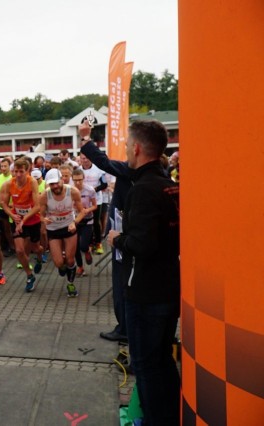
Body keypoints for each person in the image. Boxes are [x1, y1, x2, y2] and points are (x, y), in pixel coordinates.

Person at [106, 120, 180, 425]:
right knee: (163, 359)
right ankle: (171, 414)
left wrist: (116, 238)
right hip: (168, 286)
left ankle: (154, 419)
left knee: (146, 364)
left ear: (136, 148)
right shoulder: (169, 184)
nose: (125, 151)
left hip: (146, 293)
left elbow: (142, 244)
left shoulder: (142, 190)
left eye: (126, 145)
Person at [79, 121, 132, 342]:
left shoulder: (134, 171)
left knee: (122, 286)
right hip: (123, 238)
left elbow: (103, 162)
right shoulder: (147, 172)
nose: (126, 149)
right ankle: (125, 327)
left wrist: (85, 138)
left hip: (124, 240)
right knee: (122, 286)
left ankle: (124, 330)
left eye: (129, 146)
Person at [39, 169, 85, 297]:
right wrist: (44, 220)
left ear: (62, 179)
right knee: (59, 262)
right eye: (51, 184)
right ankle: (64, 268)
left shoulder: (73, 191)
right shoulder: (44, 195)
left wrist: (74, 223)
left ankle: (70, 284)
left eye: (56, 183)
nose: (55, 186)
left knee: (70, 260)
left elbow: (82, 212)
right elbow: (41, 215)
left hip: (69, 227)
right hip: (53, 229)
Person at [0, 158, 43, 292]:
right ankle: (29, 276)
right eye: (15, 171)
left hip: (33, 219)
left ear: (27, 171)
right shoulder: (8, 184)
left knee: (37, 247)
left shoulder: (32, 182)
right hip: (17, 219)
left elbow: (37, 206)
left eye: (21, 171)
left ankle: (40, 258)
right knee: (19, 250)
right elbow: (3, 204)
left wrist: (24, 220)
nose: (18, 175)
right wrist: (12, 215)